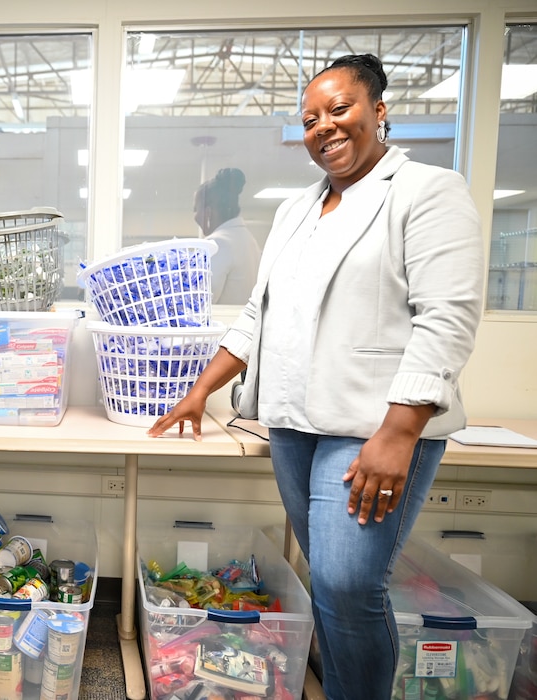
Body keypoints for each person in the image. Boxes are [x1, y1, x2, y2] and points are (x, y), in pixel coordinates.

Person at [149, 54, 484, 699]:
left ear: (378, 112)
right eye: (310, 119)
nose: (325, 127)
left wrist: (399, 431)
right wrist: (200, 390)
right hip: (293, 425)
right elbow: (259, 312)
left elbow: (448, 316)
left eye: (340, 109)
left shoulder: (427, 191)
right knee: (330, 581)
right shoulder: (298, 210)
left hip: (372, 429)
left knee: (349, 583)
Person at [193, 167, 260, 304]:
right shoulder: (248, 240)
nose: (195, 216)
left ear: (208, 212)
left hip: (224, 324)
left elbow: (201, 303)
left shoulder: (217, 243)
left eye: (196, 209)